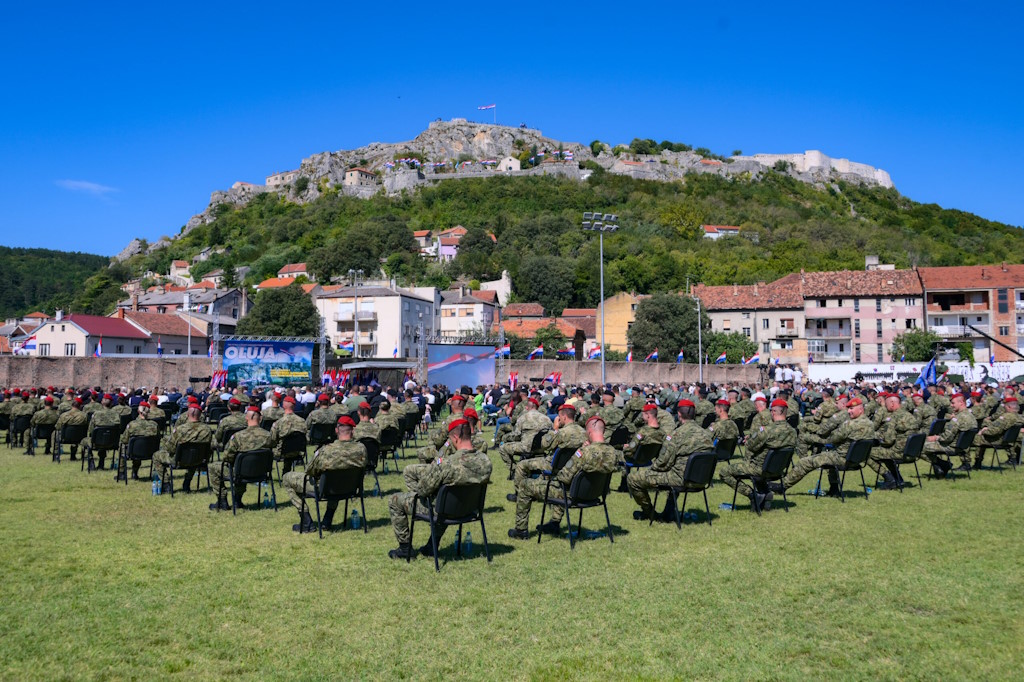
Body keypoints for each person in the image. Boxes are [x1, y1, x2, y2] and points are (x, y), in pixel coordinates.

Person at [387, 418, 492, 560]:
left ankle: (405, 549)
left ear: (455, 437)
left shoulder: (447, 464)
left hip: (445, 511)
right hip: (470, 509)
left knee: (395, 500)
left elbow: (423, 491)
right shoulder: (485, 461)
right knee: (444, 502)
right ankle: (432, 546)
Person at [508, 414, 618, 540]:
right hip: (595, 496)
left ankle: (520, 531)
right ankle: (554, 523)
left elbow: (564, 477)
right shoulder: (613, 452)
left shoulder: (583, 453)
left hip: (572, 495)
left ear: (588, 432)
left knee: (525, 485)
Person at [627, 399, 713, 521]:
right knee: (675, 472)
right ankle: (668, 512)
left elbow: (662, 463)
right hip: (701, 480)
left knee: (633, 478)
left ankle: (650, 513)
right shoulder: (706, 435)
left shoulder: (676, 435)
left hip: (680, 480)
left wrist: (651, 470)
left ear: (679, 414)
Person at [771, 397, 876, 497]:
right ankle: (834, 489)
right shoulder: (870, 424)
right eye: (848, 409)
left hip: (842, 458)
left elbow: (833, 439)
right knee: (829, 459)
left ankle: (782, 486)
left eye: (852, 409)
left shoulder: (849, 424)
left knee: (804, 462)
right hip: (857, 460)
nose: (848, 411)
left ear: (861, 409)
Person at [281, 415, 367, 533]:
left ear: (337, 430)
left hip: (327, 488)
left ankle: (307, 522)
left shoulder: (326, 450)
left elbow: (309, 470)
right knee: (338, 477)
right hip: (350, 488)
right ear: (353, 430)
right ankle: (327, 520)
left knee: (287, 478)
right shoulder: (361, 448)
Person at [720, 398, 797, 510]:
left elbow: (751, 446)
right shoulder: (793, 431)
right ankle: (765, 492)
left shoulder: (767, 431)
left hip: (759, 468)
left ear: (773, 412)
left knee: (724, 472)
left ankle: (753, 495)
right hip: (778, 470)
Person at [208, 405, 272, 510]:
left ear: (247, 418)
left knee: (213, 467)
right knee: (238, 467)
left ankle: (222, 500)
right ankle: (237, 500)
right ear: (260, 419)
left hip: (240, 472)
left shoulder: (238, 436)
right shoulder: (268, 435)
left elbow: (227, 457)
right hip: (262, 472)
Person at [152, 398, 215, 492]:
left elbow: (170, 448)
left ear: (188, 414)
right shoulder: (207, 430)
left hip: (179, 460)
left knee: (156, 456)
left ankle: (166, 484)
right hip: (199, 460)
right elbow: (211, 446)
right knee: (194, 454)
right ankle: (187, 481)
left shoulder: (180, 429)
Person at [868, 393, 920, 489]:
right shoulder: (910, 415)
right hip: (912, 453)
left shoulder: (894, 417)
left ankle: (889, 478)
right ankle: (898, 479)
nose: (886, 407)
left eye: (886, 404)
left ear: (892, 403)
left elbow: (888, 440)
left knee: (867, 453)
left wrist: (876, 438)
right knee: (884, 453)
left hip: (899, 452)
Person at [922, 392, 978, 476]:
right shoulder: (971, 416)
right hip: (962, 447)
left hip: (951, 447)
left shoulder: (958, 419)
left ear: (961, 403)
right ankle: (940, 467)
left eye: (953, 403)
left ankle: (943, 464)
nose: (951, 405)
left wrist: (936, 437)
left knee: (920, 447)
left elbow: (946, 438)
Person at [497, 397, 552, 469]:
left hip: (526, 447)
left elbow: (516, 435)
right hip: (542, 447)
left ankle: (514, 469)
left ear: (528, 407)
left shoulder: (523, 418)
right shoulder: (546, 419)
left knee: (502, 448)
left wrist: (505, 438)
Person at [976, 396, 1024, 466]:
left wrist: (983, 431)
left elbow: (994, 431)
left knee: (977, 439)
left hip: (999, 440)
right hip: (1009, 441)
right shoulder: (1020, 418)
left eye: (1005, 406)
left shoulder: (1005, 417)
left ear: (1009, 407)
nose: (1004, 407)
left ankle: (976, 462)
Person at [118, 401, 160, 480]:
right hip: (150, 452)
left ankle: (121, 473)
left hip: (133, 452)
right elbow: (158, 438)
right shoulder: (154, 425)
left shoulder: (132, 424)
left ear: (138, 411)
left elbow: (124, 439)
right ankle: (134, 472)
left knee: (122, 446)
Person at [80, 393, 122, 469]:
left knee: (84, 441)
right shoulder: (116, 414)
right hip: (113, 442)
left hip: (96, 442)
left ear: (102, 402)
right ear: (112, 403)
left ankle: (91, 461)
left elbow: (90, 430)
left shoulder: (96, 414)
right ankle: (101, 462)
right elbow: (119, 428)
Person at [268, 396, 307, 475]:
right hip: (298, 451)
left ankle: (266, 475)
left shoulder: (279, 423)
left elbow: (272, 440)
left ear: (283, 406)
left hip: (282, 452)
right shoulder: (302, 421)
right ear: (294, 406)